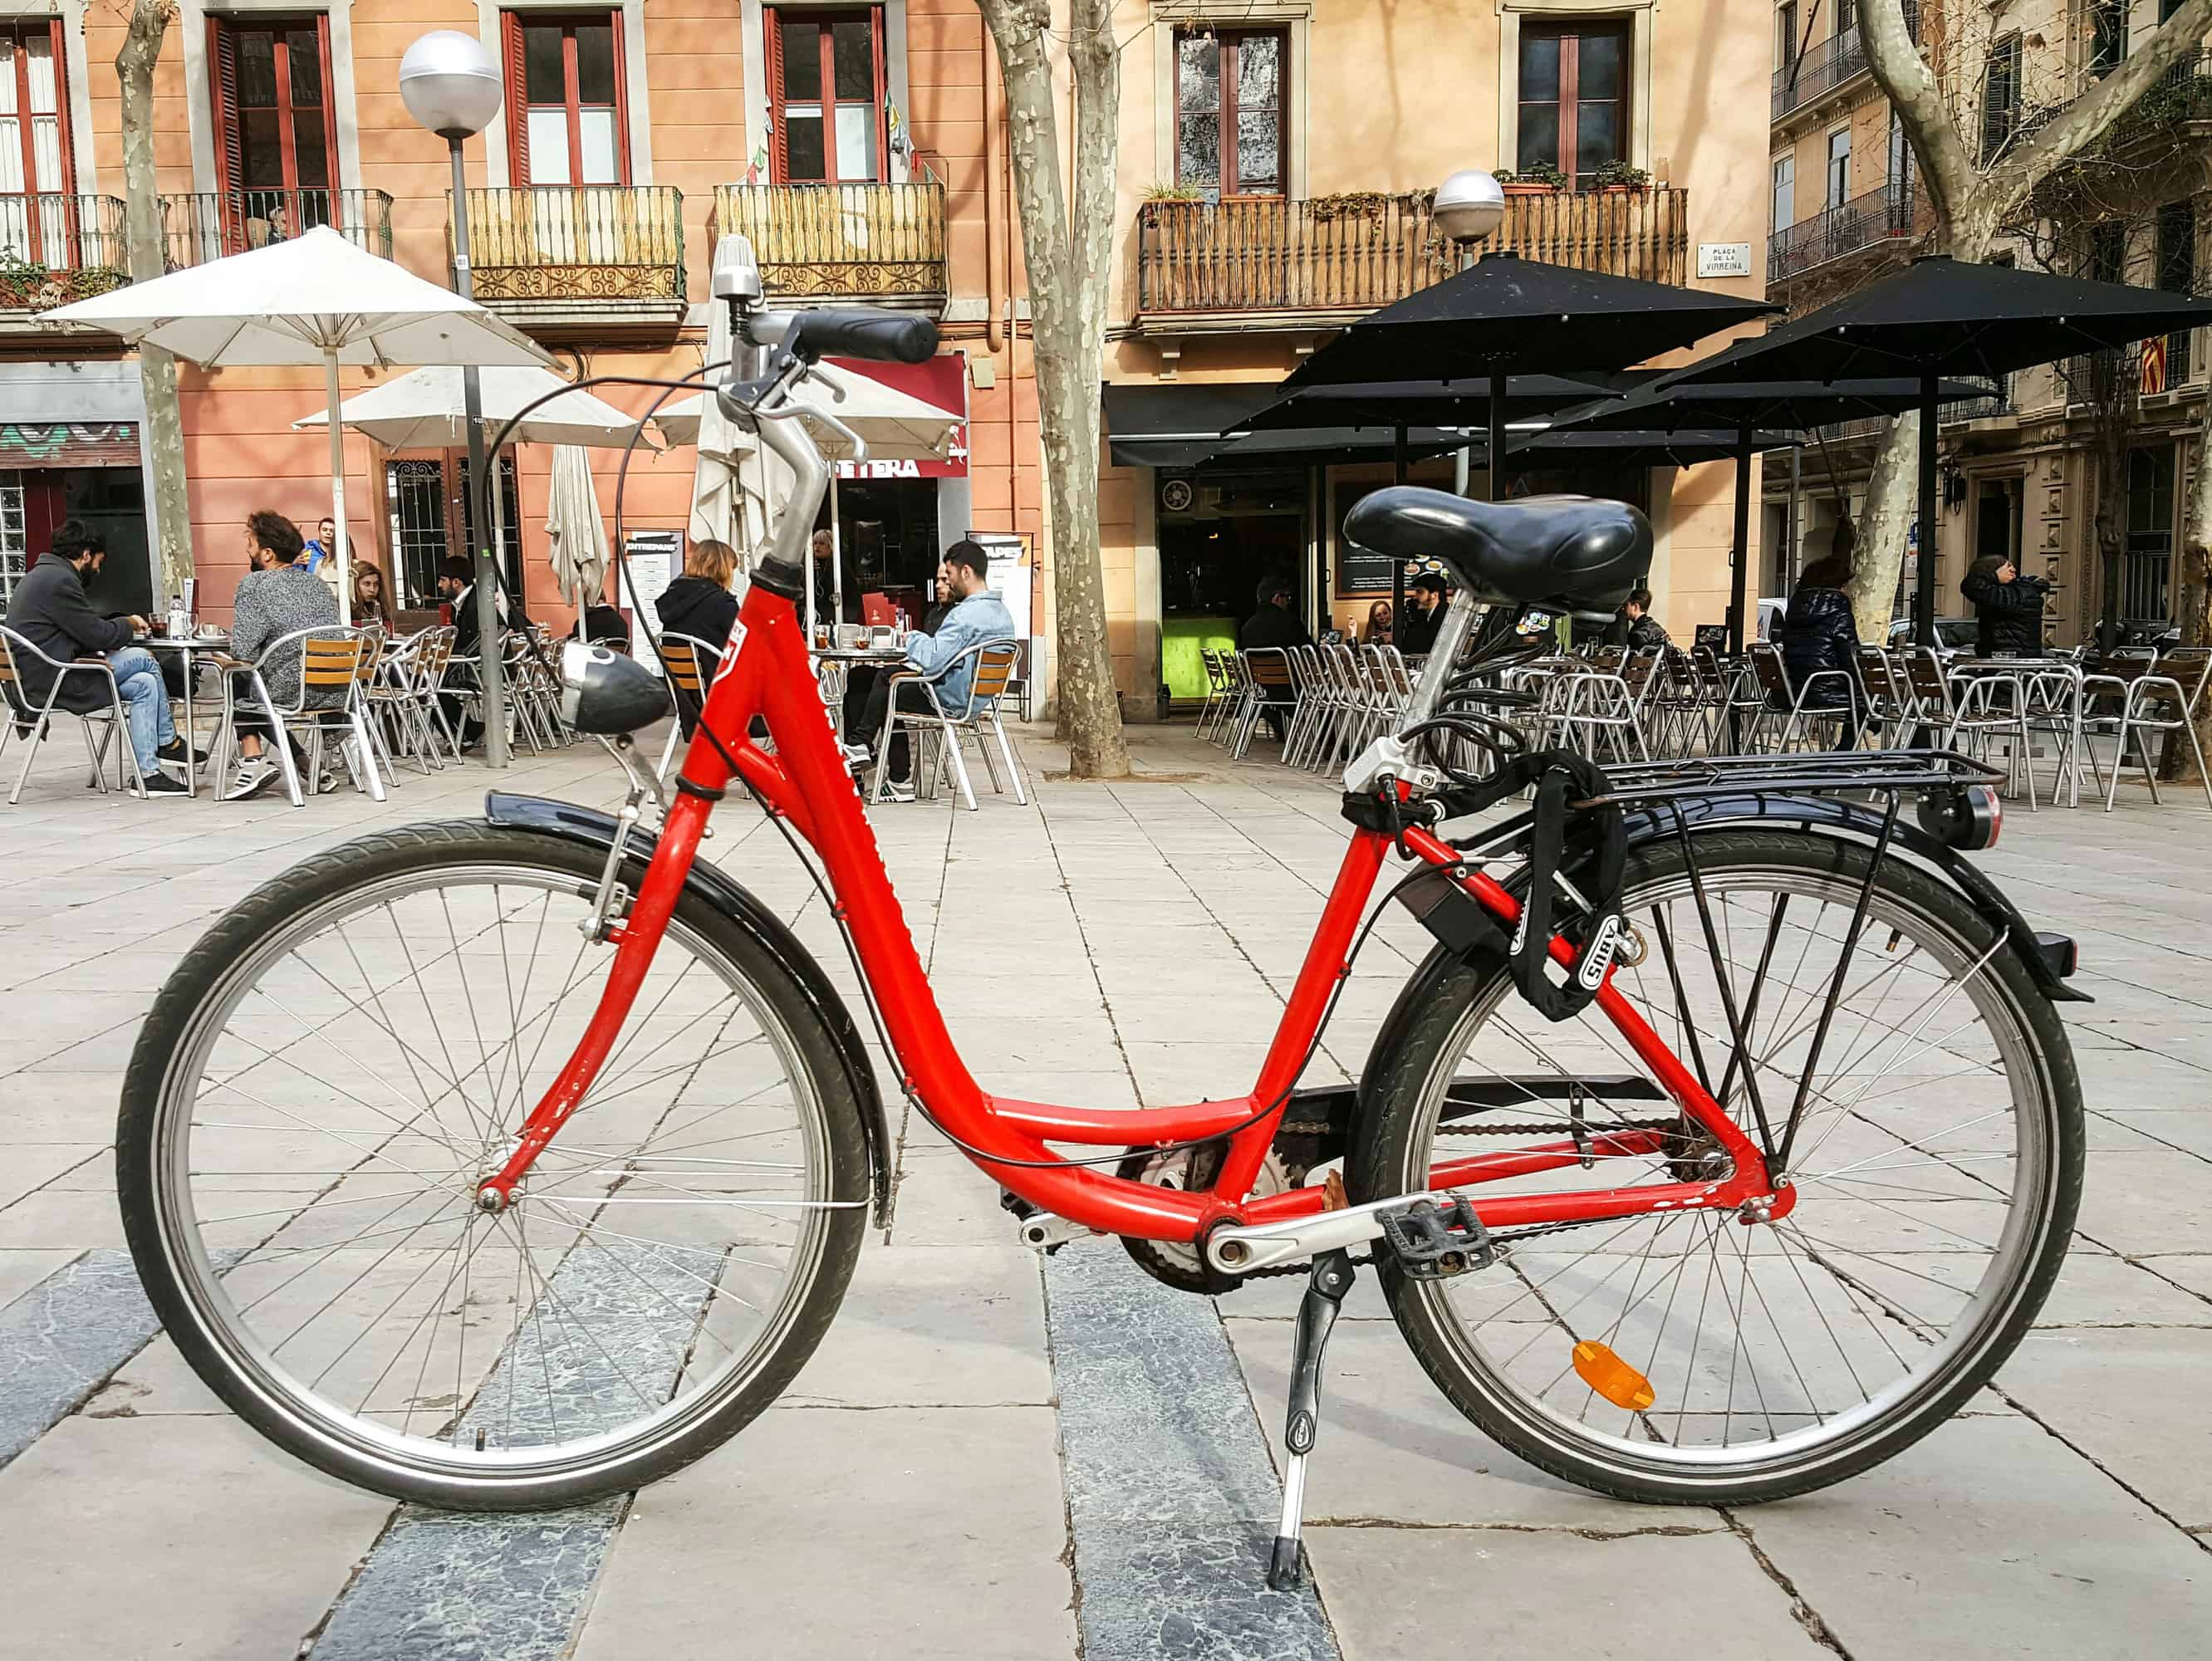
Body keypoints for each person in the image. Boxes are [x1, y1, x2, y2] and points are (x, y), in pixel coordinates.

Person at [2, 518, 194, 796]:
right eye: (98, 561)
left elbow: (80, 627)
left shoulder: (40, 575)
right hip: (56, 680)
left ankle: (149, 774)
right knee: (145, 659)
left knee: (144, 683)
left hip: (38, 677)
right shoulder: (60, 581)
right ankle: (168, 742)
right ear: (85, 554)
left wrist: (114, 626)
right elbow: (96, 636)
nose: (99, 569)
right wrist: (128, 624)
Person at [844, 539, 1013, 800]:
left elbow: (933, 659)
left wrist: (911, 637)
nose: (950, 581)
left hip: (949, 700)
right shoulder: (1002, 614)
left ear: (966, 572)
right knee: (874, 679)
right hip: (976, 699)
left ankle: (861, 747)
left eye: (951, 575)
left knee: (888, 680)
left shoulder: (964, 615)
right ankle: (872, 756)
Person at [223, 510, 342, 800]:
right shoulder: (317, 584)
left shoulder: (255, 585)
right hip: (336, 691)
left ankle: (253, 760)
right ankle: (304, 761)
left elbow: (243, 649)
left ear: (266, 553)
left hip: (290, 689)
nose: (247, 550)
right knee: (257, 684)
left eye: (250, 544)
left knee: (239, 674)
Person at [655, 537, 742, 737]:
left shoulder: (674, 596)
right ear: (722, 567)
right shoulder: (721, 603)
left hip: (685, 693)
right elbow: (742, 642)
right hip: (719, 689)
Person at [1779, 550, 1863, 749]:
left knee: (1865, 696)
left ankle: (1844, 749)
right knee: (1870, 696)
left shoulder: (1793, 612)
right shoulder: (1839, 613)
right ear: (1839, 586)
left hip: (1793, 690)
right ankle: (1846, 749)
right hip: (1827, 690)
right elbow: (1851, 657)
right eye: (1845, 586)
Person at [1238, 574, 1309, 742]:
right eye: (1288, 598)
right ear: (1277, 598)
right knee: (1328, 698)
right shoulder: (1289, 623)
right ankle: (1328, 743)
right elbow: (1310, 653)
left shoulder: (1247, 627)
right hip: (1293, 689)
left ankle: (1280, 724)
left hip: (1262, 689)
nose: (1288, 602)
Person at [1960, 554, 2048, 658]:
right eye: (2008, 566)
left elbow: (1972, 587)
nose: (2013, 569)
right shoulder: (2023, 591)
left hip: (2008, 661)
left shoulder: (2018, 594)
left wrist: (1989, 574)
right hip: (2014, 659)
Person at [1602, 589, 1671, 653]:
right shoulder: (1657, 628)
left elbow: (1634, 661)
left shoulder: (1638, 634)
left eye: (1626, 605)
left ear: (1636, 607)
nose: (1623, 608)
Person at [1396, 572, 1449, 657]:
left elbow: (1424, 645)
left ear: (1434, 595)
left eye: (1420, 592)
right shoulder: (1425, 615)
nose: (1415, 597)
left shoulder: (1445, 615)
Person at [350, 562, 392, 631]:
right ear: (355, 584)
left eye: (376, 584)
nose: (372, 590)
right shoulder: (347, 611)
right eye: (367, 584)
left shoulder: (377, 606)